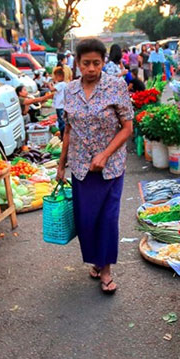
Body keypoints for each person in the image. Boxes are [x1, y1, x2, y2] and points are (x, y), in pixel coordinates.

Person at [57, 38, 133, 294]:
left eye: (96, 63)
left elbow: (127, 128)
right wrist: (61, 164)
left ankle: (107, 268)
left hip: (111, 167)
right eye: (86, 63)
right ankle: (97, 261)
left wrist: (104, 154)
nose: (91, 68)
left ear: (103, 62)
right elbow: (68, 129)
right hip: (80, 167)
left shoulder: (116, 86)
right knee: (86, 220)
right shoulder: (69, 90)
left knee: (107, 218)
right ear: (76, 63)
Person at [52, 67, 69, 138]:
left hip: (60, 106)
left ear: (60, 76)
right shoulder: (64, 84)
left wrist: (49, 84)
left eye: (56, 77)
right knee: (61, 120)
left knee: (61, 121)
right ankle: (63, 134)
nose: (55, 78)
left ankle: (63, 135)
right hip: (62, 105)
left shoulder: (60, 84)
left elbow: (52, 89)